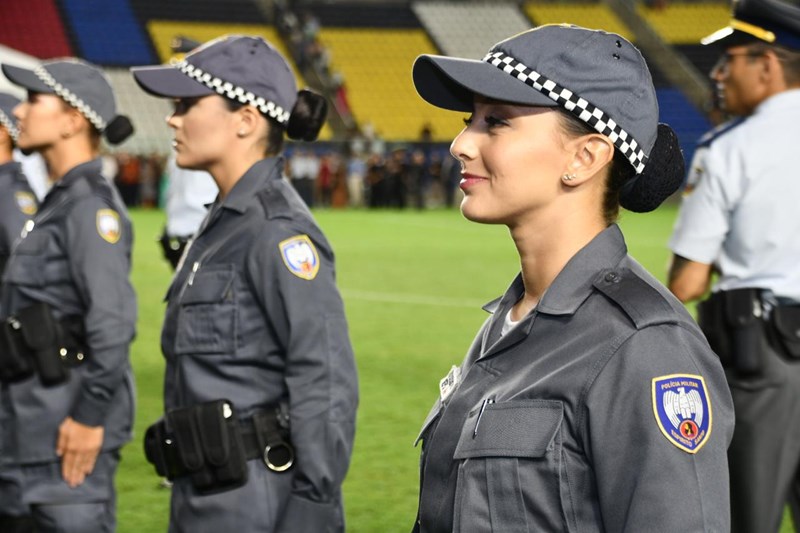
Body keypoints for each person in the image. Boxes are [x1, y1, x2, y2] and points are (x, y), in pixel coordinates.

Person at [410, 24, 734, 532]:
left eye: (495, 122)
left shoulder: (645, 349)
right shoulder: (514, 317)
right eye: (468, 119)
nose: (460, 144)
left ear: (584, 157)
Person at [131, 35, 358, 532]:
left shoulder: (276, 230)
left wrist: (314, 504)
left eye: (188, 104)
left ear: (246, 120)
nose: (173, 118)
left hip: (257, 500)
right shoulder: (224, 222)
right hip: (209, 490)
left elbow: (323, 376)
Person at [667, 1, 800, 531]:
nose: (719, 74)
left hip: (762, 355)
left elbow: (688, 281)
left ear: (767, 65)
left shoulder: (729, 147)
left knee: (747, 515)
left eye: (731, 60)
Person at [0, 58, 136, 533]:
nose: (19, 112)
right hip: (30, 436)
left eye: (35, 100)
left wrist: (90, 415)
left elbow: (113, 323)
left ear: (73, 120)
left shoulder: (88, 209)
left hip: (63, 448)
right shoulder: (60, 203)